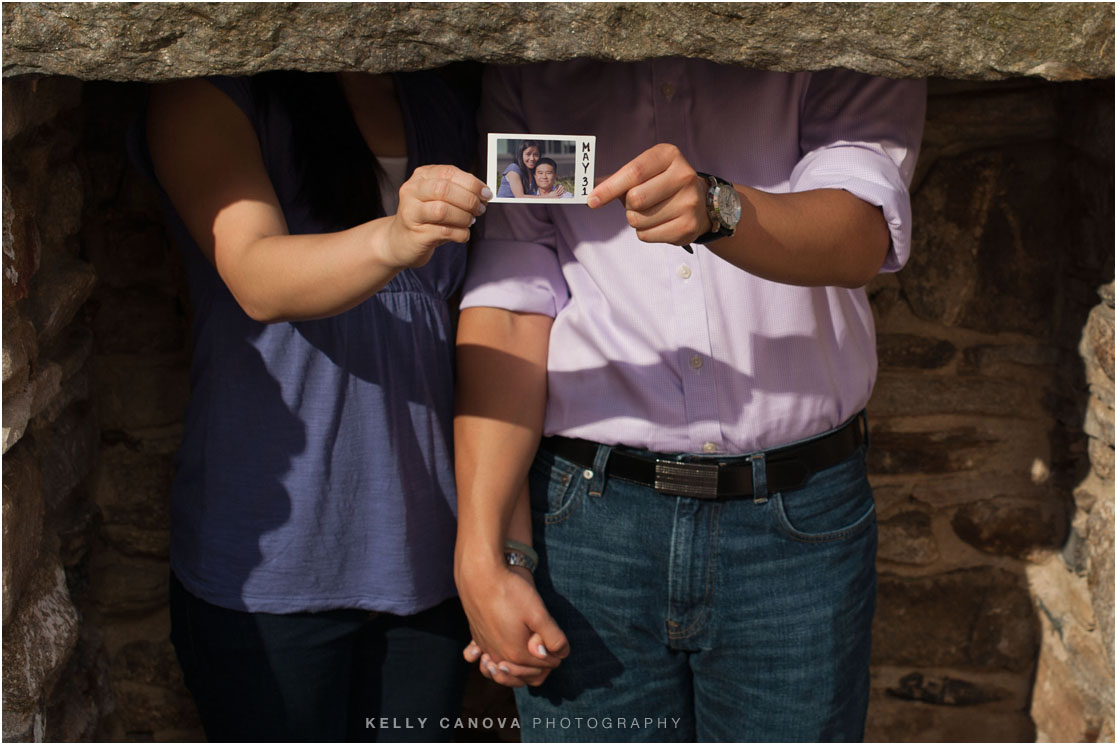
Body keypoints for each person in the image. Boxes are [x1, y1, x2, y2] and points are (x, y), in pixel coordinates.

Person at [454, 59, 926, 742]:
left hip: (792, 530)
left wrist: (719, 208)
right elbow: (509, 300)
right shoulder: (536, 53)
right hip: (588, 528)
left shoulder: (836, 27)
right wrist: (481, 548)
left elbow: (860, 231)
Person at [130, 69, 490, 741]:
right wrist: (393, 238)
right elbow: (256, 272)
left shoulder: (439, 95)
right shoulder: (208, 90)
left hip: (425, 550)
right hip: (275, 555)